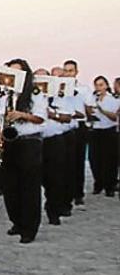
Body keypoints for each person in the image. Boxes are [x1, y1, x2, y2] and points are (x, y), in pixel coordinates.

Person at [0, 59, 46, 243]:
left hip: (29, 142)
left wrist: (21, 115)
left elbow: (40, 118)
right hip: (10, 141)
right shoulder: (5, 93)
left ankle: (29, 228)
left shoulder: (35, 93)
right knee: (10, 186)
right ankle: (16, 221)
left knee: (29, 187)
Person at [40, 68, 72, 225]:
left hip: (54, 141)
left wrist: (53, 114)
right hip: (35, 142)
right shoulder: (30, 98)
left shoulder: (59, 97)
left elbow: (68, 117)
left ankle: (53, 211)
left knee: (55, 179)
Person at [86, 76, 119, 196]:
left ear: (106, 85)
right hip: (95, 130)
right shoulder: (92, 98)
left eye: (101, 85)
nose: (98, 88)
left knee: (110, 159)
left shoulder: (113, 99)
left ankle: (110, 186)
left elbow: (114, 117)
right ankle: (98, 183)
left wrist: (101, 110)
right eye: (96, 85)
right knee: (95, 159)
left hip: (108, 131)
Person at [63, 60, 90, 205]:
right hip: (65, 127)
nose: (68, 74)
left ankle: (78, 193)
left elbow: (89, 108)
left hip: (79, 126)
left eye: (71, 71)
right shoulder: (59, 89)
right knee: (66, 162)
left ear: (76, 72)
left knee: (78, 161)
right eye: (66, 71)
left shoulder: (84, 89)